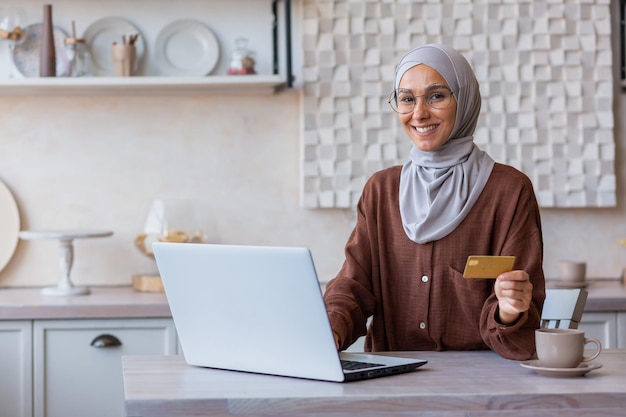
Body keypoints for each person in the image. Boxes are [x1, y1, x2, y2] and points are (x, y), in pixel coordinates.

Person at [323, 44, 545, 361]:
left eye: (437, 96)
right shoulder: (381, 189)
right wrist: (329, 330)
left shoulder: (509, 191)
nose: (420, 113)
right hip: (393, 376)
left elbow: (525, 300)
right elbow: (354, 283)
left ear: (464, 99)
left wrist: (509, 311)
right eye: (407, 99)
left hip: (482, 381)